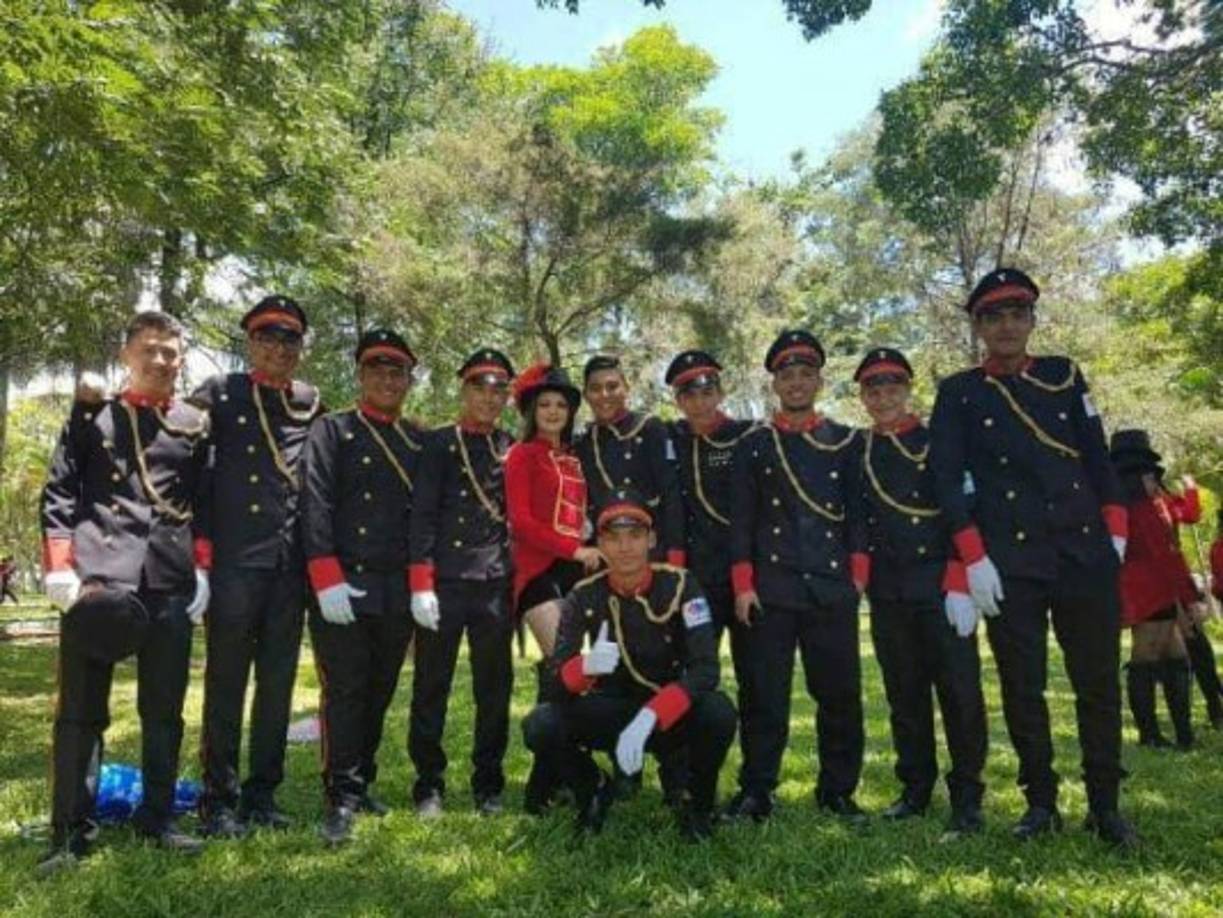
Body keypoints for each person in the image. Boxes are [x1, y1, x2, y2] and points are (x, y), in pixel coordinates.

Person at [928, 267, 1137, 848]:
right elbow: (946, 480)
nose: (1007, 326)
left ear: (1031, 319)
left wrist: (1115, 528)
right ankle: (1040, 803)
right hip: (1009, 560)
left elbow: (1098, 459)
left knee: (1098, 684)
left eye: (1017, 314)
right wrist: (972, 557)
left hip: (1082, 552)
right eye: (993, 317)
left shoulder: (1064, 375)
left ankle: (1105, 805)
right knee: (1024, 688)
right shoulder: (959, 392)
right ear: (978, 327)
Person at [39, 311, 211, 873]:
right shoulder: (93, 417)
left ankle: (158, 819)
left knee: (163, 712)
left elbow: (201, 502)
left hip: (166, 578)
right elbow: (60, 492)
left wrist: (201, 569)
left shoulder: (192, 422)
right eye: (150, 349)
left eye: (170, 351)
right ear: (126, 355)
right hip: (98, 581)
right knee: (80, 715)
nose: (161, 360)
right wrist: (60, 567)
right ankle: (69, 833)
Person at [522, 489, 736, 840]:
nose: (625, 547)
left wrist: (652, 715)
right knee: (540, 724)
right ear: (601, 545)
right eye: (614, 538)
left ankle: (695, 803)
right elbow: (557, 679)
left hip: (666, 711)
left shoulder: (681, 584)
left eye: (635, 536)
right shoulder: (584, 594)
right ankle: (592, 788)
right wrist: (585, 667)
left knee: (718, 711)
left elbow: (705, 669)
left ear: (651, 539)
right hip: (611, 708)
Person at [191, 294, 324, 837]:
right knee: (225, 684)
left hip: (288, 567)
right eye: (268, 337)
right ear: (250, 342)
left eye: (290, 339)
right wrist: (198, 557)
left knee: (277, 684)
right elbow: (192, 475)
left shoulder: (311, 401)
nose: (279, 348)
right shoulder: (219, 394)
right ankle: (217, 800)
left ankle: (261, 795)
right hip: (233, 564)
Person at [726, 329, 869, 824]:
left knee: (839, 695)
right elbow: (741, 520)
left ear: (819, 380)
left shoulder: (846, 441)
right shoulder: (755, 444)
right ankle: (757, 790)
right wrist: (743, 585)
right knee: (764, 695)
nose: (796, 383)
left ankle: (837, 790)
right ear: (775, 384)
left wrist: (858, 579)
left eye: (805, 374)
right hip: (771, 588)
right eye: (787, 375)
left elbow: (857, 517)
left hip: (831, 586)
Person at [852, 347, 988, 834]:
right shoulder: (859, 449)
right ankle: (915, 788)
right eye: (873, 388)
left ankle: (968, 797)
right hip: (890, 589)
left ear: (908, 389)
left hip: (940, 583)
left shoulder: (940, 441)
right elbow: (857, 522)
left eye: (892, 386)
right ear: (863, 397)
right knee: (904, 695)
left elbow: (966, 508)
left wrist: (960, 579)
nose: (883, 396)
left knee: (960, 693)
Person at [301, 329, 422, 845]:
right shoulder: (332, 431)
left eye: (397, 372)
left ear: (409, 381)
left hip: (395, 585)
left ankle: (362, 777)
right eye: (377, 369)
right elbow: (316, 502)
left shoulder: (417, 439)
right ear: (361, 374)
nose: (388, 380)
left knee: (380, 687)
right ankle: (340, 796)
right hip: (344, 580)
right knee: (346, 688)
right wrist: (326, 577)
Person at [408, 348, 516, 817]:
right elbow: (423, 515)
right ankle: (428, 784)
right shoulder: (436, 443)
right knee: (432, 685)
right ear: (464, 389)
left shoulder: (512, 444)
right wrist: (420, 582)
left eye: (498, 390)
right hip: (446, 582)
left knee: (494, 688)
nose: (488, 397)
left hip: (494, 582)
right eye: (479, 387)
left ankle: (488, 783)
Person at [504, 362, 603, 813]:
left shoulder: (574, 458)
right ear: (530, 410)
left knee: (566, 677)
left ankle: (550, 779)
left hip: (574, 573)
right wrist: (574, 548)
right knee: (566, 669)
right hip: (539, 571)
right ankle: (573, 773)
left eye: (561, 404)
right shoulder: (522, 455)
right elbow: (522, 523)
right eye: (544, 404)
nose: (552, 411)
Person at [665, 349, 757, 803]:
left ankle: (756, 786)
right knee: (689, 676)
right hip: (696, 583)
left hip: (748, 580)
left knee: (757, 682)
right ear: (678, 400)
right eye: (688, 392)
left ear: (720, 391)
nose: (699, 400)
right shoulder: (672, 438)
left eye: (707, 389)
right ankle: (681, 779)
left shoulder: (748, 435)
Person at [1110, 429, 1204, 749]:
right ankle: (1151, 734)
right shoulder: (1138, 509)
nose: (1154, 479)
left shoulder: (1147, 503)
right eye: (1148, 473)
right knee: (1147, 655)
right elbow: (1160, 554)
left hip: (1156, 587)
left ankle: (1182, 733)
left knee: (1175, 655)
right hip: (1147, 589)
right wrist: (1189, 597)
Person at [575, 355, 685, 564]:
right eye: (595, 388)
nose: (604, 395)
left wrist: (675, 557)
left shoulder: (651, 428)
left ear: (626, 388)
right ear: (586, 395)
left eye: (612, 386)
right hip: (606, 557)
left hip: (653, 552)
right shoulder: (583, 444)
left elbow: (672, 497)